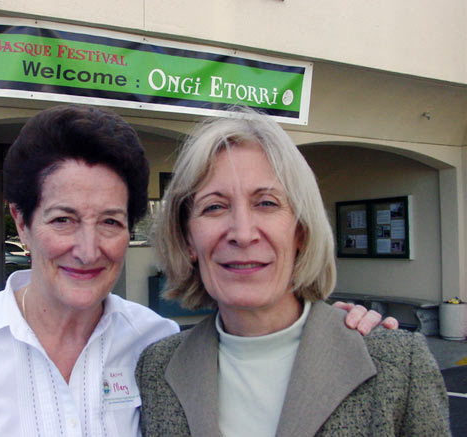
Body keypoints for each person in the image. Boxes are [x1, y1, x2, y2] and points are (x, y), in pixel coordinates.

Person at [0, 105, 394, 436]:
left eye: (110, 222)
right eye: (63, 220)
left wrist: (336, 331)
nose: (87, 249)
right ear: (22, 222)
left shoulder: (156, 345)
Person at [135, 107, 450, 436]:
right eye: (214, 206)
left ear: (300, 230)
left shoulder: (399, 364)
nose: (243, 233)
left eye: (267, 203)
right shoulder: (157, 368)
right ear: (187, 239)